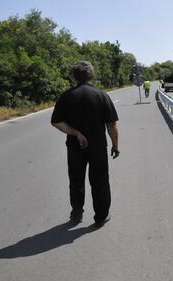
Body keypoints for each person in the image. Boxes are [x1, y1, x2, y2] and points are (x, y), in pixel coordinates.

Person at [51, 61, 120, 227]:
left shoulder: (66, 96)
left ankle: (77, 213)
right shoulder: (101, 95)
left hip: (75, 147)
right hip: (97, 147)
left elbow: (56, 122)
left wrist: (75, 133)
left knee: (76, 180)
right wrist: (115, 145)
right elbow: (111, 125)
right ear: (91, 75)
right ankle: (101, 216)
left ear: (74, 76)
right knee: (100, 181)